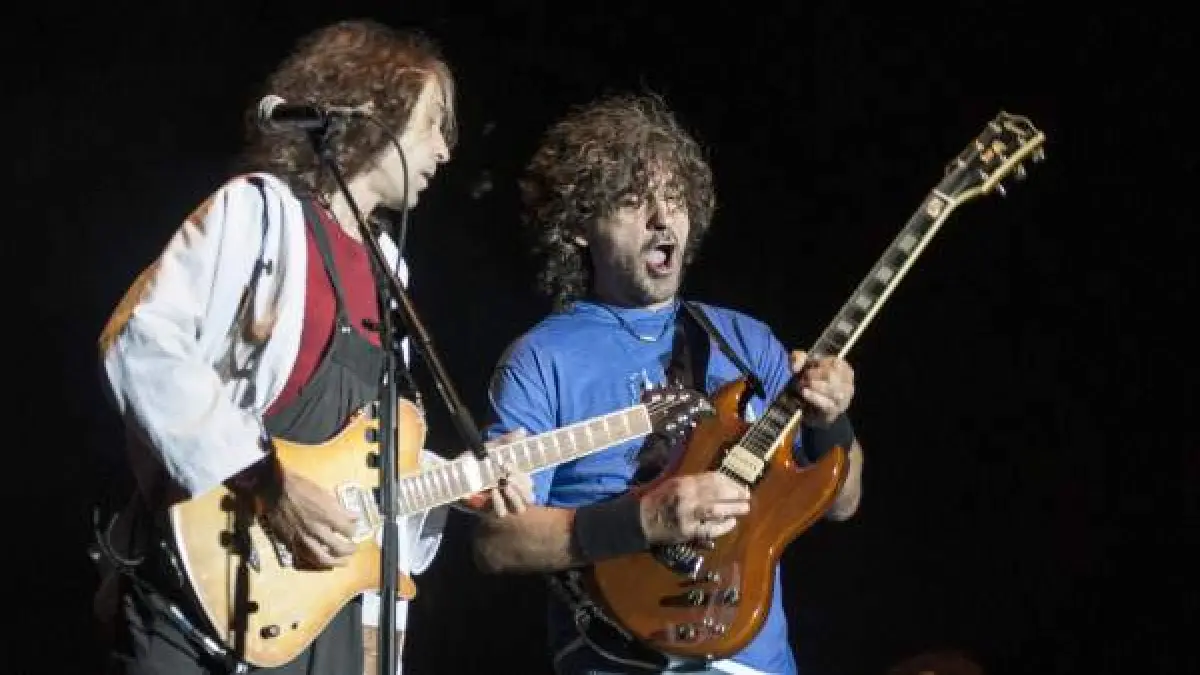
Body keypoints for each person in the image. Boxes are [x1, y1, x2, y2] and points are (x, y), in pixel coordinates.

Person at [94, 19, 531, 675]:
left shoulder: (390, 271)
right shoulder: (259, 212)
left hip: (311, 611)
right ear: (373, 110)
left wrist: (462, 482)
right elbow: (140, 343)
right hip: (198, 589)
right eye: (432, 124)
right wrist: (265, 481)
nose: (444, 151)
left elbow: (356, 453)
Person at [472, 92, 866, 675]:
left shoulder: (745, 339)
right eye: (634, 201)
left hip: (757, 661)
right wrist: (647, 519)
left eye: (675, 197)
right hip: (617, 660)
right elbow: (497, 541)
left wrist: (832, 419)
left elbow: (843, 501)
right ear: (580, 225)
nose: (663, 219)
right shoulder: (541, 358)